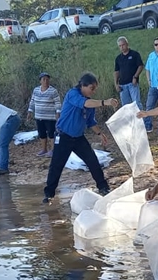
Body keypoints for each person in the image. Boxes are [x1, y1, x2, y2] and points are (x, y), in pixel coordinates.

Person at [43, 72, 119, 204]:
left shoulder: (90, 103)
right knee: (56, 166)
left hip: (78, 138)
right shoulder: (73, 94)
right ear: (83, 85)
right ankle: (49, 195)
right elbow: (84, 103)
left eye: (95, 89)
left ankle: (103, 188)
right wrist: (104, 102)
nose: (93, 91)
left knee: (92, 161)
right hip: (63, 136)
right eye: (91, 88)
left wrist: (100, 134)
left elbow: (91, 122)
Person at [28, 72, 62, 157]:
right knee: (42, 133)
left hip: (50, 117)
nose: (46, 81)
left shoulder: (53, 91)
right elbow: (32, 101)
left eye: (47, 79)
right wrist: (30, 111)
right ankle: (44, 149)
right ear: (40, 81)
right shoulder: (36, 90)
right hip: (39, 116)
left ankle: (53, 150)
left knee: (51, 133)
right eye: (44, 79)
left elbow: (57, 102)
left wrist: (58, 112)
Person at [114, 36, 144, 109]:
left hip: (132, 83)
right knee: (125, 106)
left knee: (137, 103)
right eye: (120, 46)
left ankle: (141, 119)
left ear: (127, 44)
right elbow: (116, 71)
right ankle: (129, 120)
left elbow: (140, 66)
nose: (122, 47)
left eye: (123, 45)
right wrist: (116, 84)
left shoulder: (134, 54)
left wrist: (135, 77)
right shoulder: (118, 58)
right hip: (122, 85)